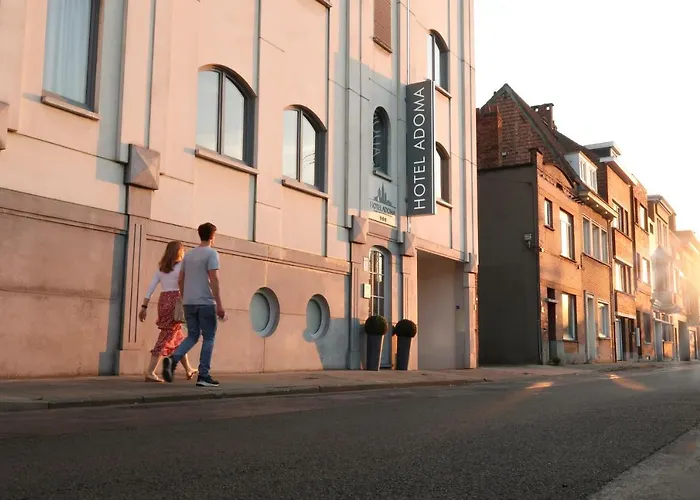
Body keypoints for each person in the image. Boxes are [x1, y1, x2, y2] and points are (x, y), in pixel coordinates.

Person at [162, 222, 225, 387]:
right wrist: (219, 304)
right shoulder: (211, 254)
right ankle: (203, 375)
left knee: (192, 336)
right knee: (209, 337)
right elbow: (214, 279)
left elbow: (180, 279)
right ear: (212, 236)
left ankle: (173, 358)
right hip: (205, 302)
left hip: (189, 302)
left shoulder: (188, 255)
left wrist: (185, 298)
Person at [138, 240, 197, 382]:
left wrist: (144, 307)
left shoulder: (162, 268)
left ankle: (188, 369)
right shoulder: (182, 266)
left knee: (177, 338)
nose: (184, 252)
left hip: (163, 300)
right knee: (166, 337)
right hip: (176, 302)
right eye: (183, 250)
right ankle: (150, 372)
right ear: (178, 252)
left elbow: (151, 287)